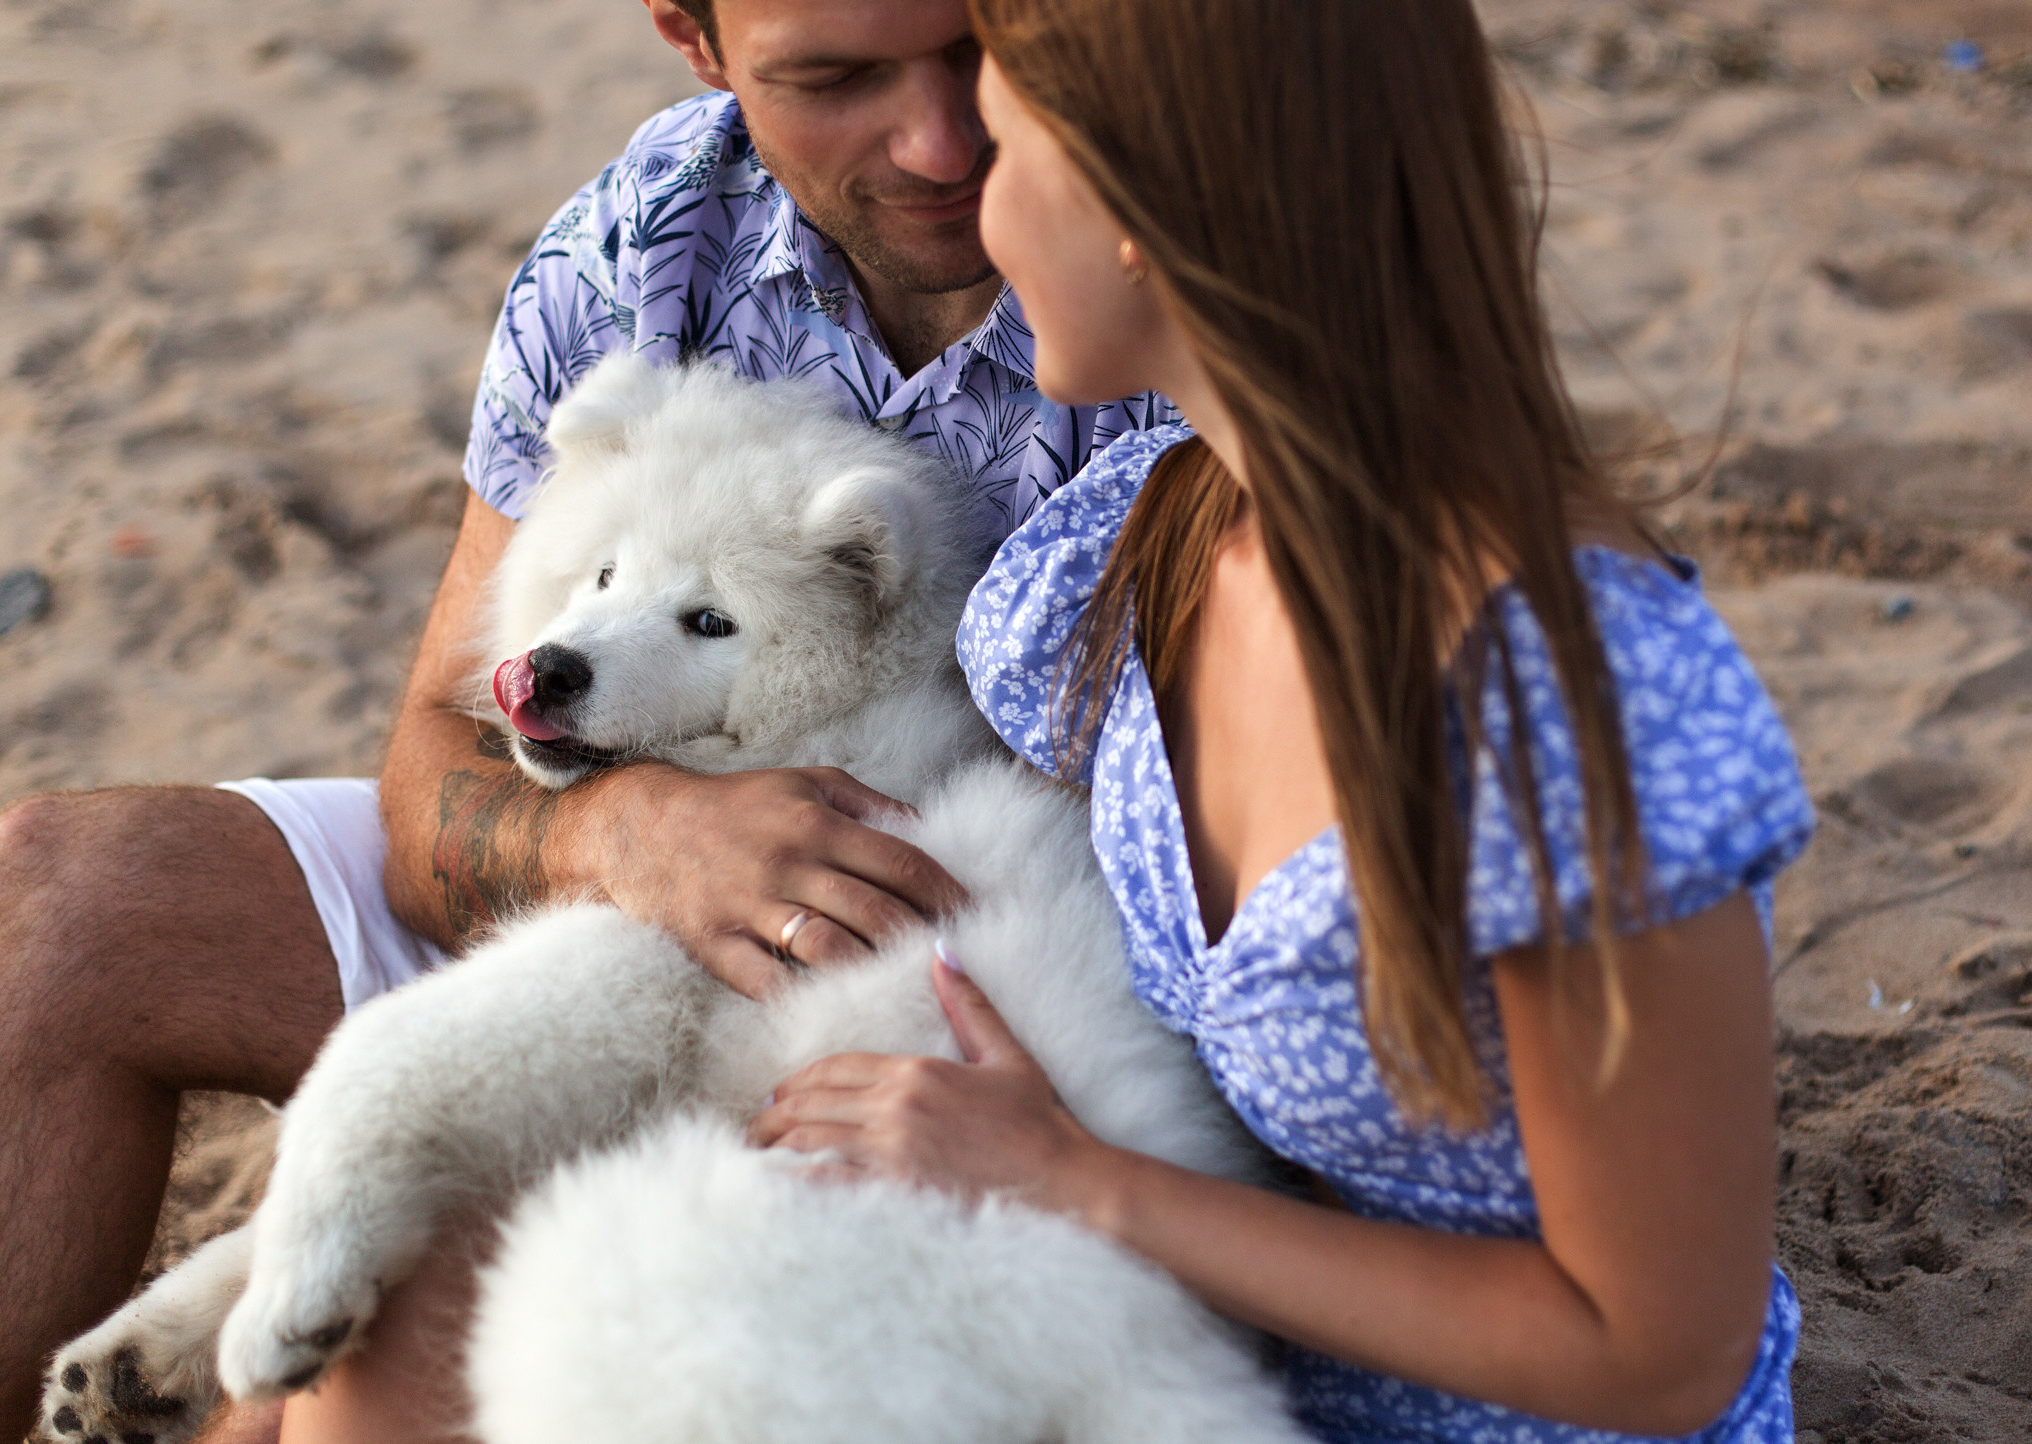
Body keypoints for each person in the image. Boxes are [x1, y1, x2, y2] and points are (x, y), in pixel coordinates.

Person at [0, 1, 1176, 1441]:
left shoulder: (1172, 249)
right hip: (608, 902)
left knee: (398, 1315)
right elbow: (440, 759)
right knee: (61, 900)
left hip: (968, 1024)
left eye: (976, 45)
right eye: (835, 78)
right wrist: (628, 831)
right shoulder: (650, 237)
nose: (939, 140)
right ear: (695, 39)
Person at [752, 0, 1812, 1439]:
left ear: (1138, 201)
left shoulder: (1566, 703)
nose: (978, 208)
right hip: (1194, 1375)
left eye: (1006, 146)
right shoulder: (1150, 545)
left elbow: (1655, 1351)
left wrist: (1079, 1181)